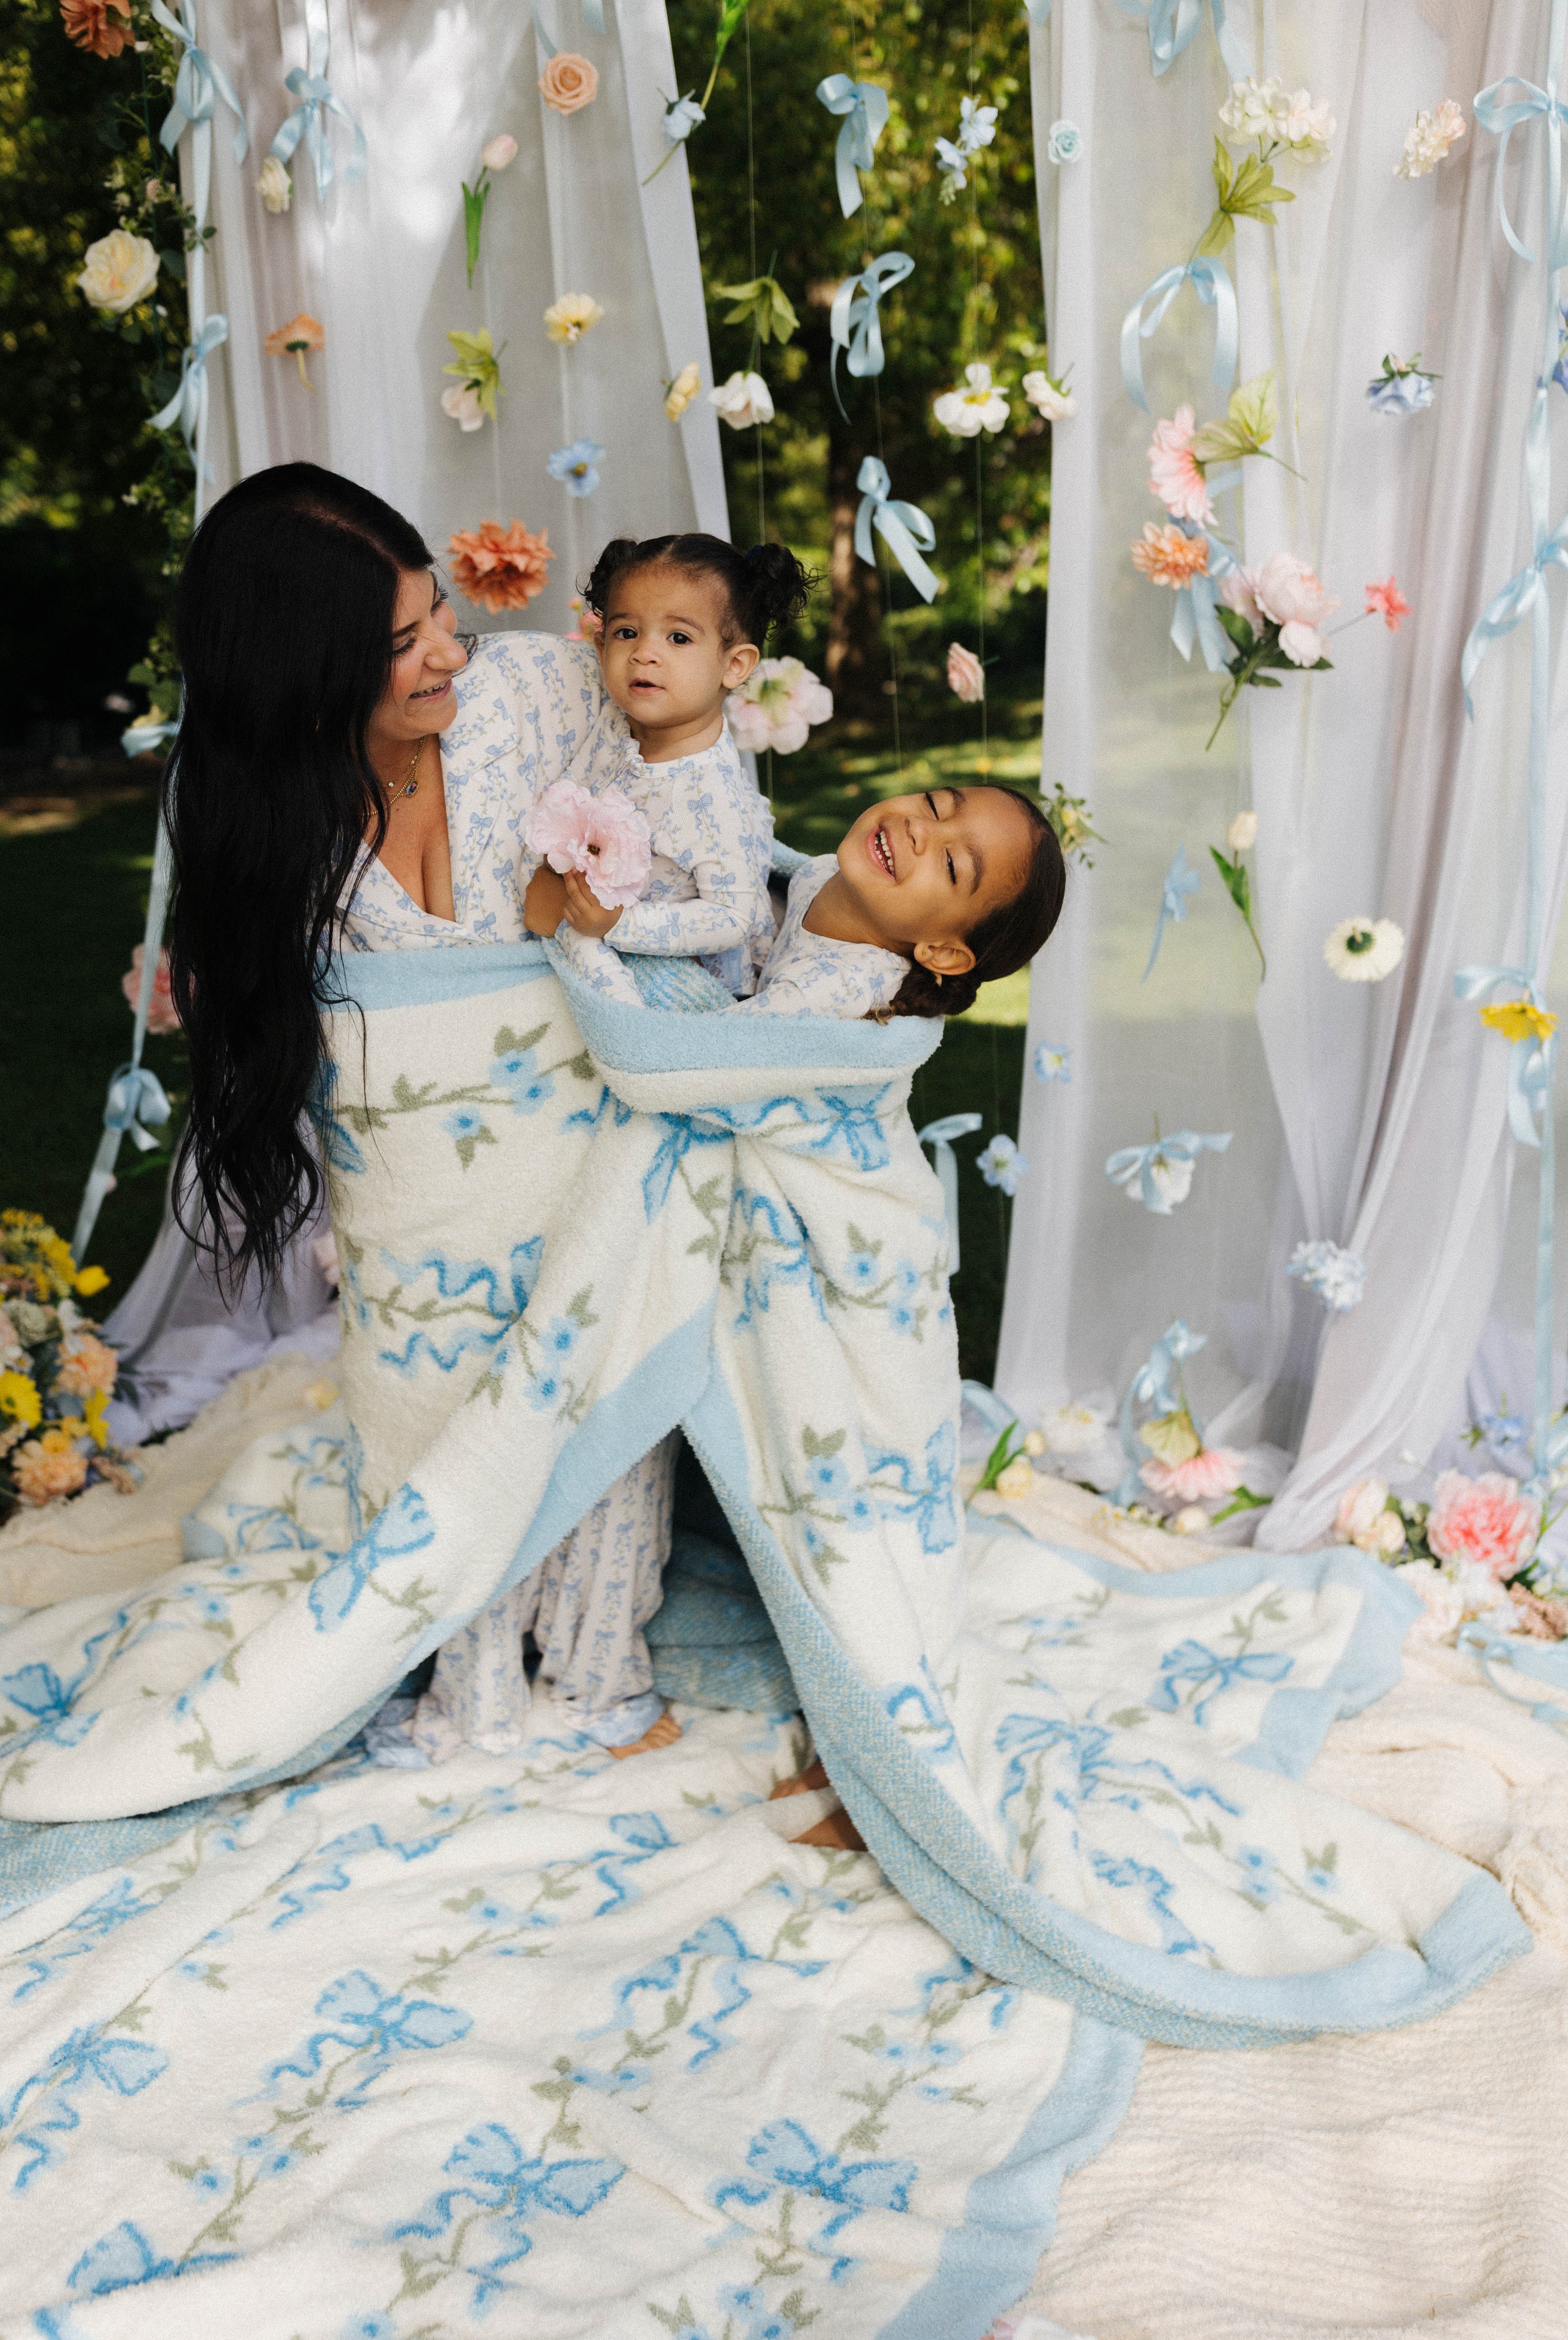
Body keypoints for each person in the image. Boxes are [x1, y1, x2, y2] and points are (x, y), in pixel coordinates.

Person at [164, 462, 680, 1759]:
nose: (452, 647)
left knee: (595, 1390)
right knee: (425, 1414)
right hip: (419, 1193)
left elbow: (687, 845)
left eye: (440, 608)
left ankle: (599, 1649)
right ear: (304, 674)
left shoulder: (543, 696)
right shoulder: (264, 821)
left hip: (585, 1154)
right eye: (403, 641)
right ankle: (454, 1645)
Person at [523, 532, 812, 995]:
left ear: (734, 666)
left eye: (678, 637)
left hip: (688, 985)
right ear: (601, 647)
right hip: (587, 946)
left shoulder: (711, 793)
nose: (644, 652)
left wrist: (619, 923)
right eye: (626, 632)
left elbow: (731, 917)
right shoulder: (614, 726)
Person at [565, 780, 1064, 1020]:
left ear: (944, 951)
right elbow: (768, 880)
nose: (920, 827)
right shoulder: (833, 874)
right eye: (936, 805)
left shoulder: (831, 990)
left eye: (952, 864)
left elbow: (704, 1050)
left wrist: (614, 930)